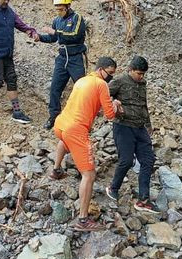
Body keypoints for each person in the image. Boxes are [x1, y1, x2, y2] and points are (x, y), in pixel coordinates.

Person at [51, 57, 121, 232]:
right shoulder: (101, 85)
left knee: (64, 141)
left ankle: (56, 170)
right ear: (101, 69)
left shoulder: (82, 80)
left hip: (61, 124)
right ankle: (83, 220)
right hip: (76, 130)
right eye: (110, 73)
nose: (110, 77)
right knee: (89, 175)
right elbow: (110, 115)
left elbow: (87, 105)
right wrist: (116, 105)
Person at [107, 56, 160, 215]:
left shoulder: (142, 84)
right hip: (123, 126)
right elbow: (101, 95)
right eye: (138, 73)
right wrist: (113, 103)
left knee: (148, 160)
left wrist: (148, 125)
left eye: (143, 74)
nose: (141, 76)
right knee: (127, 160)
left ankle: (144, 199)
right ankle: (113, 188)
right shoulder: (120, 81)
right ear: (130, 70)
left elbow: (143, 104)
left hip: (140, 127)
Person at [39, 0, 88, 129]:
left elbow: (74, 35)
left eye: (61, 9)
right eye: (57, 9)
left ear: (68, 6)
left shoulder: (77, 18)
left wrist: (55, 33)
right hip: (62, 58)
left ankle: (83, 118)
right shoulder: (57, 20)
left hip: (75, 57)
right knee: (55, 88)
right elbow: (53, 39)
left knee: (81, 88)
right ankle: (54, 117)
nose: (59, 12)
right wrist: (40, 37)